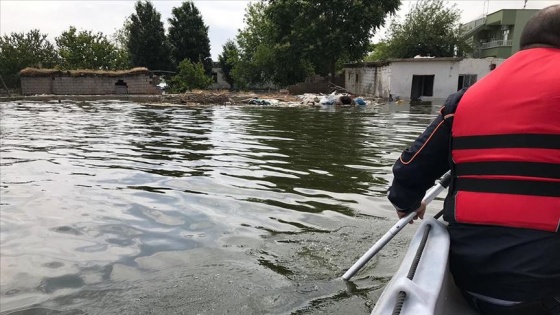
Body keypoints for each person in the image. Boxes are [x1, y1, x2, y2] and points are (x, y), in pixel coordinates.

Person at [387, 5, 560, 315]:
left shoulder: (465, 98)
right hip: (546, 289)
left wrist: (407, 203)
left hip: (473, 284)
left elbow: (407, 173)